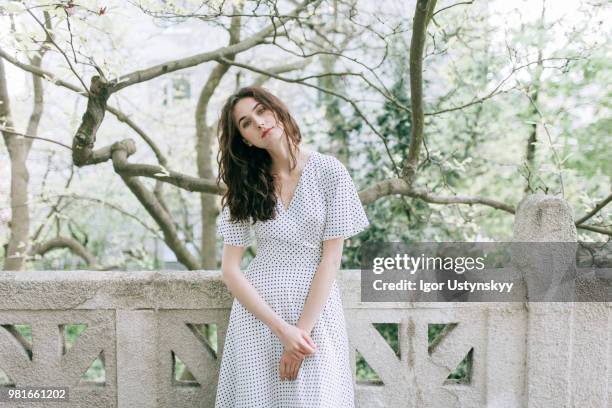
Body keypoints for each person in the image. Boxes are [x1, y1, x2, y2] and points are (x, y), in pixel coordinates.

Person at [214, 86, 369, 407]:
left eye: (261, 110)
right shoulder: (247, 184)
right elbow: (230, 270)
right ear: (245, 138)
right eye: (245, 122)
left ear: (277, 110)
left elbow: (331, 260)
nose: (257, 122)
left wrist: (299, 334)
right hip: (259, 316)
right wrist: (282, 330)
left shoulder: (329, 172)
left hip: (315, 313)